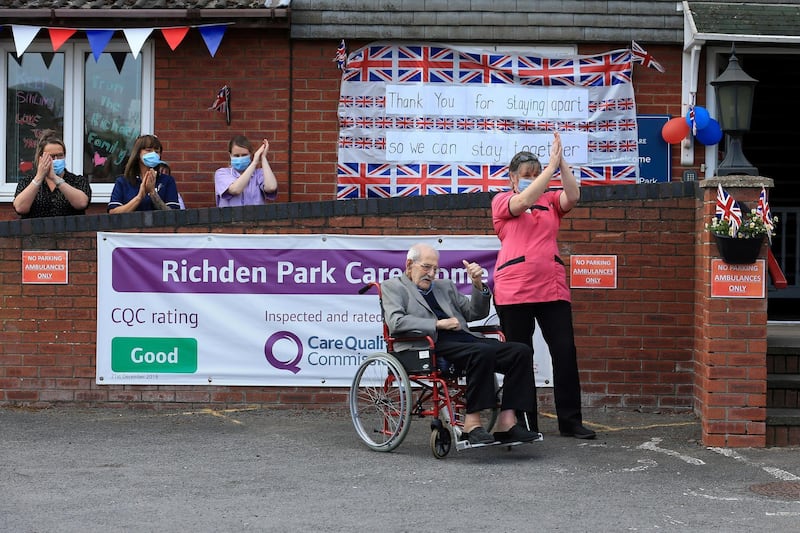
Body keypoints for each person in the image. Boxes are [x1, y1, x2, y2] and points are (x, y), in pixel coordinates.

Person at [381, 243, 540, 445]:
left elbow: (476, 313)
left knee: (521, 351)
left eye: (435, 269)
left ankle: (506, 423)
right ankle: (471, 425)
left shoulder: (445, 286)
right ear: (409, 264)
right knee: (481, 352)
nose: (431, 274)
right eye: (426, 267)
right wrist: (438, 324)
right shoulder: (393, 287)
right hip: (428, 344)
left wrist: (477, 284)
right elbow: (396, 322)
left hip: (465, 339)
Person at [491, 132, 596, 439]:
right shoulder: (503, 201)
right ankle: (524, 422)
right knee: (520, 355)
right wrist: (548, 171)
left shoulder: (551, 201)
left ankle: (570, 421)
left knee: (565, 352)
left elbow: (573, 196)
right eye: (527, 176)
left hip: (551, 289)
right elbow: (523, 200)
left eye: (536, 175)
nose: (533, 180)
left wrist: (560, 163)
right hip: (515, 292)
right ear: (512, 178)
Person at [13, 130, 91, 218]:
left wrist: (56, 179)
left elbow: (82, 203)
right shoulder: (27, 182)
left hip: (69, 231)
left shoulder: (78, 181)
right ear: (40, 158)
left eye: (60, 155)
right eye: (52, 156)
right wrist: (39, 178)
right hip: (37, 231)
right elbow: (20, 208)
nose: (56, 159)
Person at [107, 134, 180, 213]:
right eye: (148, 150)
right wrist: (139, 197)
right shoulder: (123, 181)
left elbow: (173, 214)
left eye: (157, 151)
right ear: (138, 153)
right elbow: (113, 212)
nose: (153, 154)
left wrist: (153, 193)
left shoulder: (167, 181)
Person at [215, 136, 278, 207]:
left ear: (250, 154)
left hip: (255, 217)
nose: (240, 158)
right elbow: (235, 189)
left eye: (244, 155)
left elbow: (271, 187)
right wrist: (254, 162)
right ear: (230, 155)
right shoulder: (222, 173)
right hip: (231, 218)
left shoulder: (259, 174)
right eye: (236, 156)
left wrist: (263, 157)